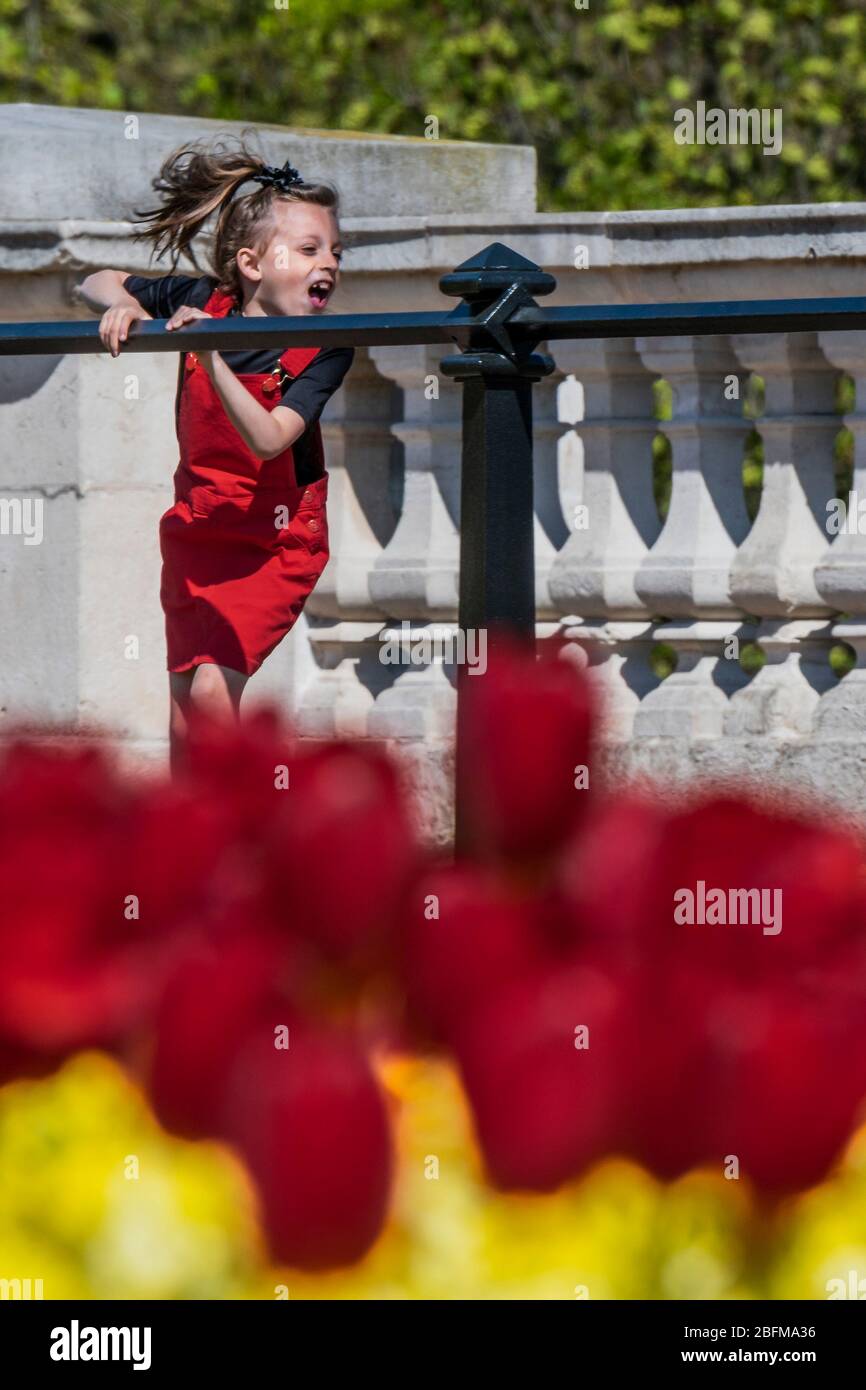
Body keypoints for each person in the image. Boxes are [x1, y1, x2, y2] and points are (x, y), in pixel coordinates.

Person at [78, 135, 354, 772]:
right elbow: (92, 280)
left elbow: (269, 437)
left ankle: (238, 843)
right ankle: (189, 848)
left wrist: (208, 356)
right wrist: (125, 308)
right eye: (310, 249)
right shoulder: (204, 301)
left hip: (277, 542)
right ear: (253, 264)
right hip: (199, 529)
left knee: (211, 691)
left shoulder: (328, 345)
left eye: (336, 251)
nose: (330, 264)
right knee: (183, 707)